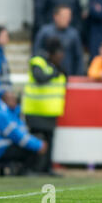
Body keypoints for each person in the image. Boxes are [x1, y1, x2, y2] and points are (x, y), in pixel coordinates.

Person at [22, 37, 66, 175]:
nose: (61, 56)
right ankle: (31, 168)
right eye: (59, 53)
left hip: (50, 112)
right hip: (35, 110)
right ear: (51, 53)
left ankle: (47, 168)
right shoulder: (38, 62)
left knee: (50, 140)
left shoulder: (55, 65)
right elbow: (39, 78)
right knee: (36, 139)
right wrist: (53, 73)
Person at [0, 91, 47, 176]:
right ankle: (26, 171)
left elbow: (22, 132)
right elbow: (16, 135)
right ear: (4, 101)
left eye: (15, 99)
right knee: (32, 146)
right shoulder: (0, 114)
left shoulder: (12, 113)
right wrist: (38, 145)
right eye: (11, 99)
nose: (14, 101)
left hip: (7, 146)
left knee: (37, 139)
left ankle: (29, 170)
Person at [34, 5, 85, 76]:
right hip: (47, 78)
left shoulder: (73, 34)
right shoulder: (45, 32)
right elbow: (36, 53)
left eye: (69, 17)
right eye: (64, 16)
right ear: (55, 16)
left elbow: (79, 57)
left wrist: (78, 75)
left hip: (68, 76)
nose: (68, 19)